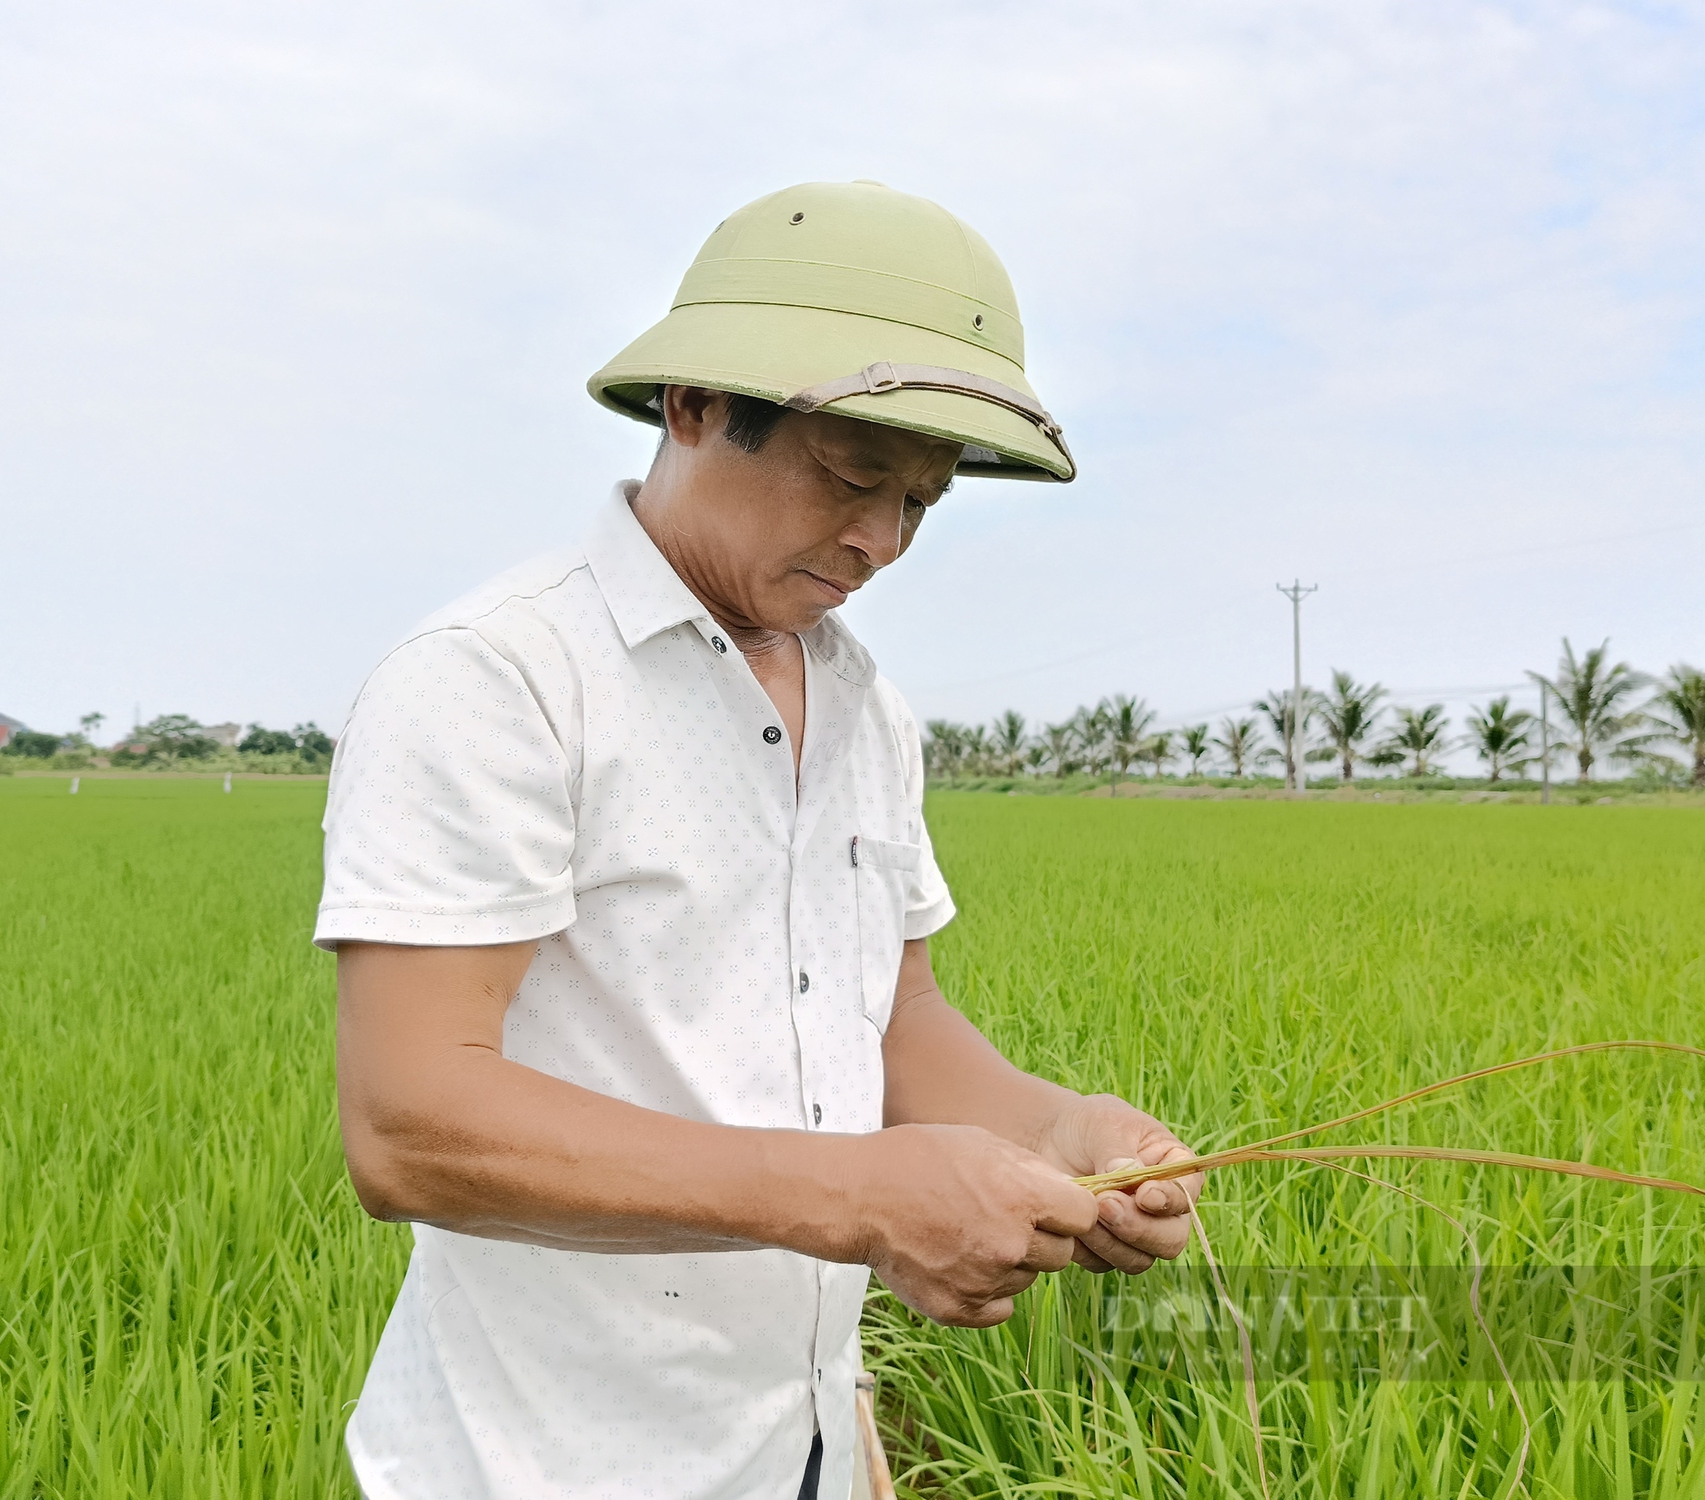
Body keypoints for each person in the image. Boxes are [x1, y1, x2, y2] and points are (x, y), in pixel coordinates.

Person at [317, 180, 1203, 1500]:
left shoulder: (864, 708)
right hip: (544, 1469)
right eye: (853, 477)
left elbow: (893, 1021)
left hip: (803, 1451)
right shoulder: (501, 679)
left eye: (923, 500)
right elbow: (411, 1123)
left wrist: (1059, 1127)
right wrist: (864, 1197)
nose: (881, 541)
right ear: (693, 405)